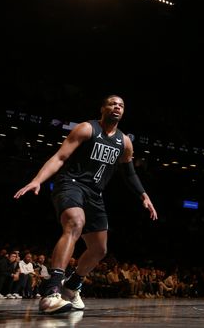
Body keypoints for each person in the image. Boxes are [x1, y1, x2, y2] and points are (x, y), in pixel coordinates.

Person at [14, 95, 158, 314]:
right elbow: (60, 157)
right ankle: (51, 291)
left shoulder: (124, 142)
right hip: (70, 183)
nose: (117, 107)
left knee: (99, 249)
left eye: (121, 105)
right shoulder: (86, 129)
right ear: (103, 108)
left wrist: (144, 196)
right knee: (75, 223)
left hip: (95, 194)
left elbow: (129, 173)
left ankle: (71, 287)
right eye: (112, 104)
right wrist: (37, 180)